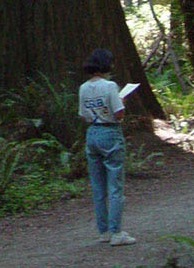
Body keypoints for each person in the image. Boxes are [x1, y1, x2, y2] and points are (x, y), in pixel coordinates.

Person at [78, 46, 135, 245]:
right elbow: (119, 114)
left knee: (98, 185)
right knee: (115, 185)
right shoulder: (110, 86)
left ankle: (103, 232)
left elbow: (83, 115)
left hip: (92, 133)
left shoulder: (83, 87)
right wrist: (121, 101)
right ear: (106, 65)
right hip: (110, 132)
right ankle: (117, 232)